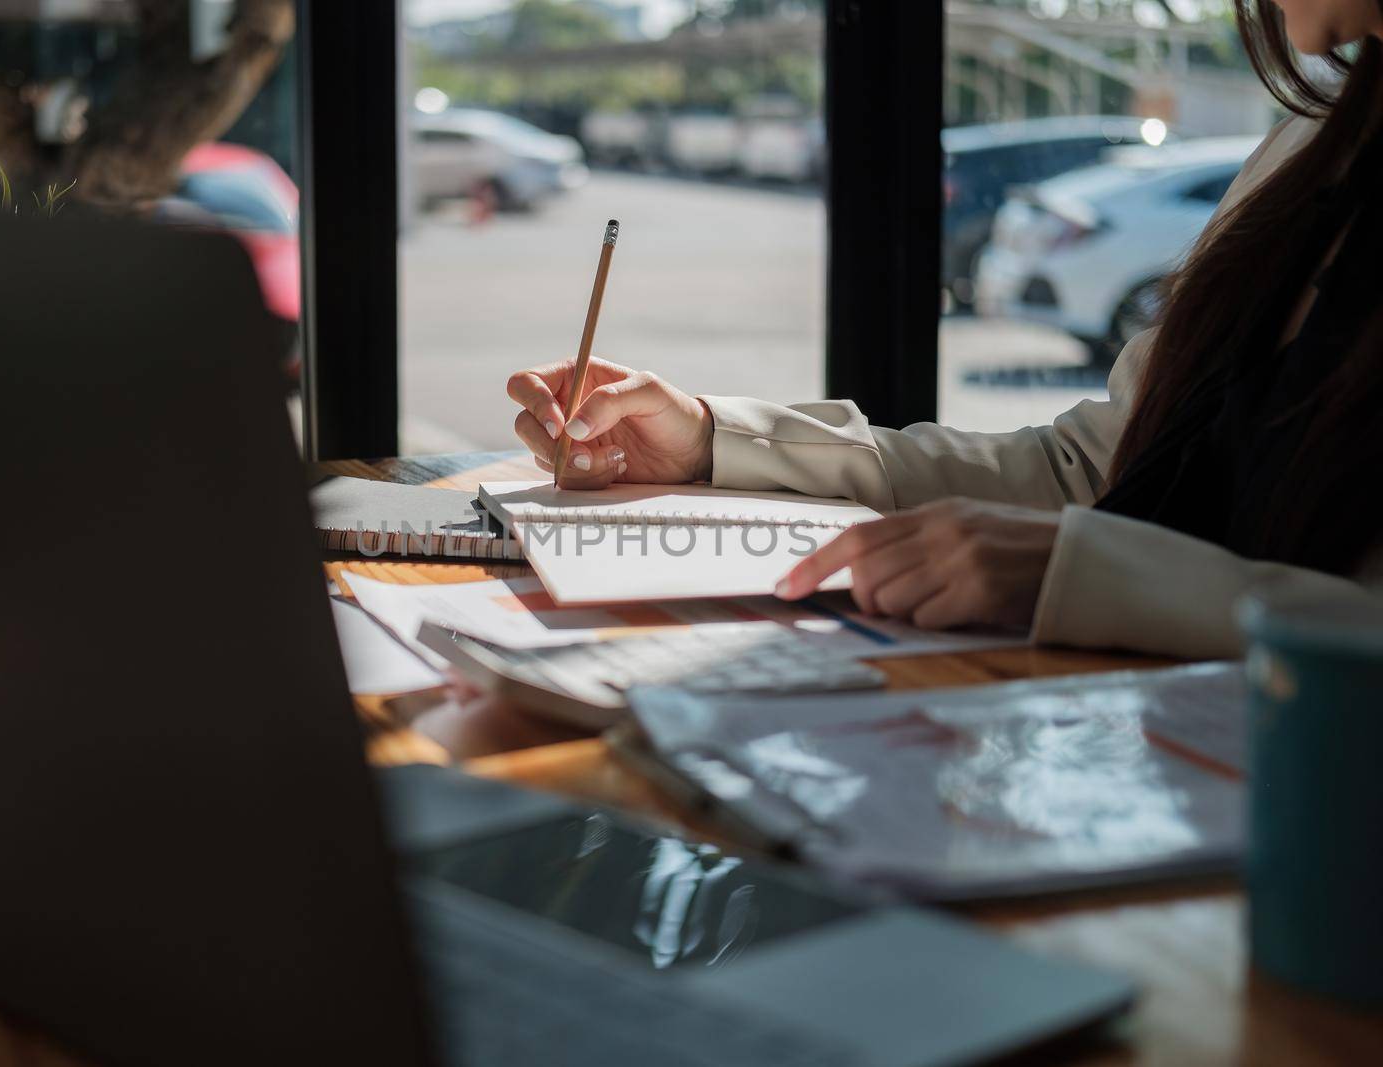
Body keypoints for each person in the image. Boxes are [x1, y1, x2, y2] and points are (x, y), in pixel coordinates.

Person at [506, 0, 1383, 659]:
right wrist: (711, 444)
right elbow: (1095, 471)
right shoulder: (1313, 150)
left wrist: (1089, 577)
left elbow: (1090, 528)